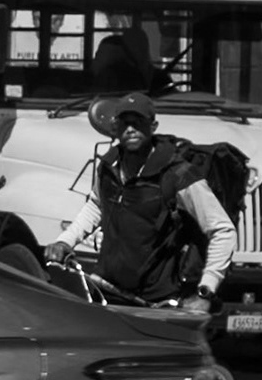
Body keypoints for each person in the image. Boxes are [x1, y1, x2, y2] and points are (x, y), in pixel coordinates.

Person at [45, 91, 234, 311]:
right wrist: (65, 242)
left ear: (153, 127)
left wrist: (206, 291)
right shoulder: (109, 166)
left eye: (138, 123)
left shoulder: (178, 175)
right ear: (115, 128)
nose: (131, 129)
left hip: (156, 305)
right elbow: (97, 205)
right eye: (124, 123)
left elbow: (223, 230)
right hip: (105, 292)